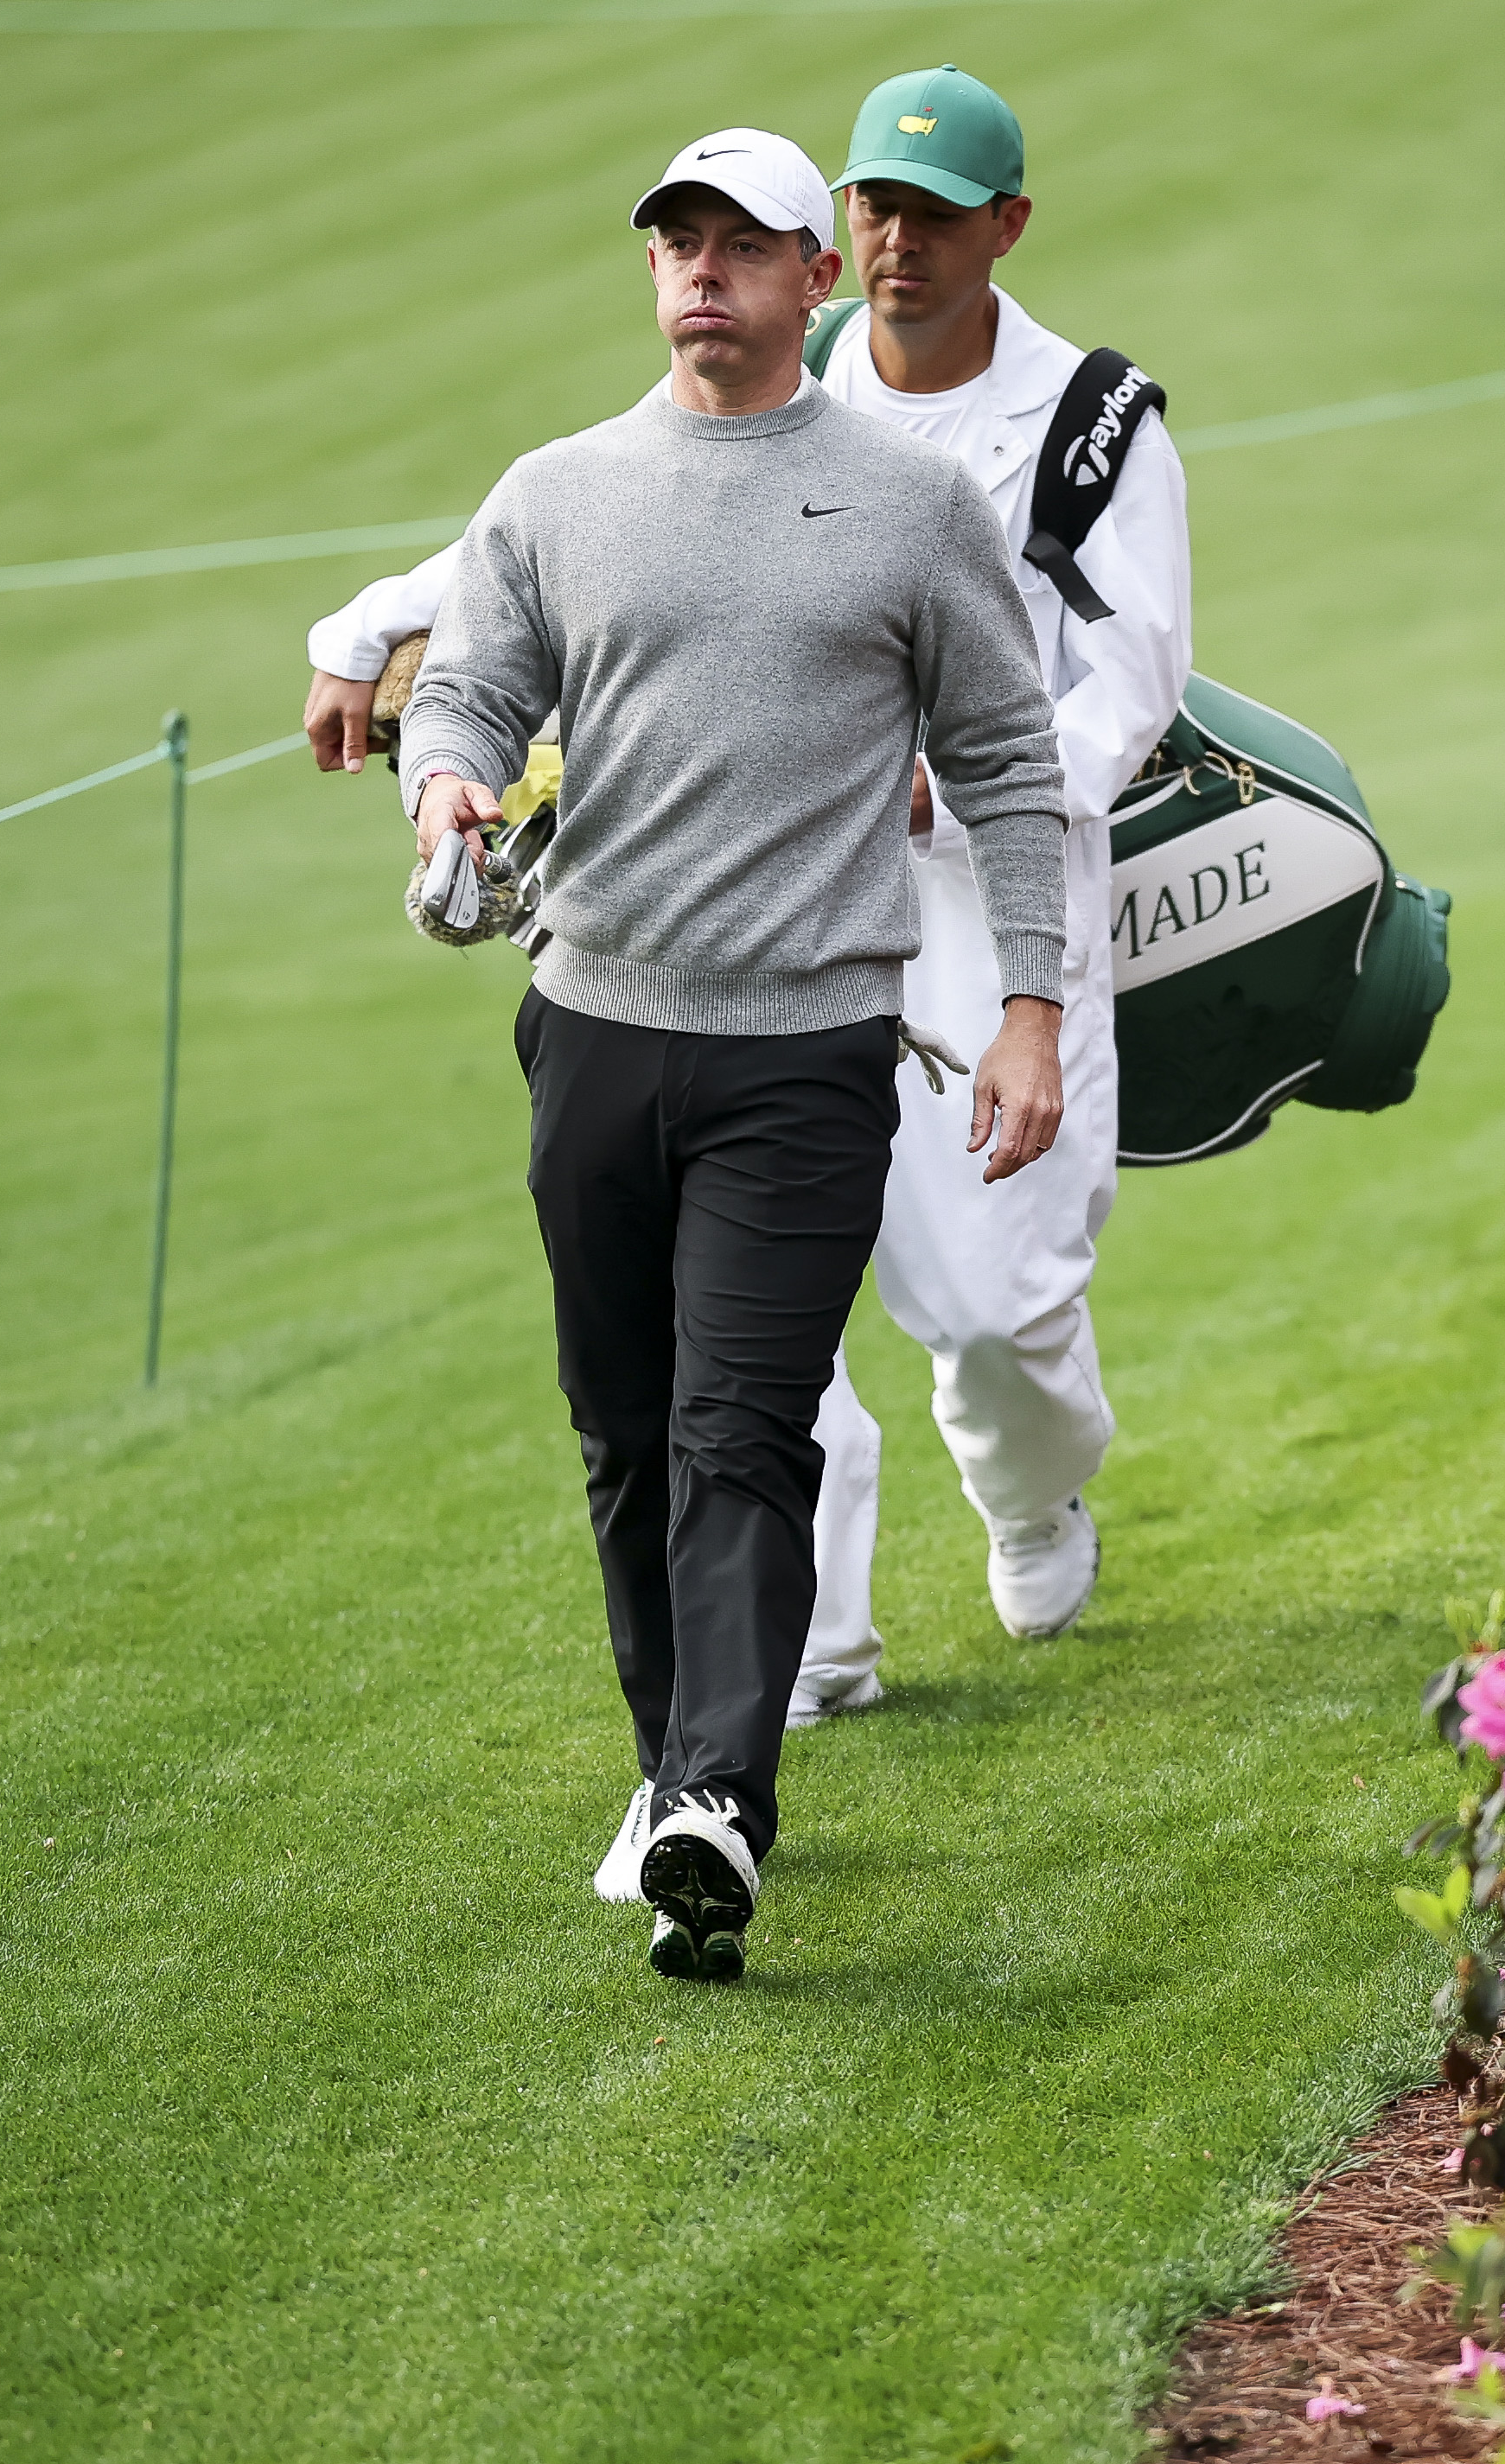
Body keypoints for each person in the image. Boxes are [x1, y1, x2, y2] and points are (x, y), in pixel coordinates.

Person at [308, 64, 1190, 1773]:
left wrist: (956, 789)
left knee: (994, 1313)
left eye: (930, 215)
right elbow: (586, 527)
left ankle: (1029, 1495)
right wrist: (375, 628)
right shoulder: (782, 370)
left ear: (1005, 228)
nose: (893, 242)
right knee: (754, 1313)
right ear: (832, 239)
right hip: (763, 917)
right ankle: (812, 1646)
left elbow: (1123, 684)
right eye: (873, 209)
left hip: (980, 898)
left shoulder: (1089, 427)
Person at [394, 124, 1072, 1982]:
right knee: (623, 1434)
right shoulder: (554, 492)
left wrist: (1030, 1008)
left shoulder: (910, 502)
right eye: (677, 241)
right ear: (652, 273)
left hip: (807, 1053)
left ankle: (721, 1798)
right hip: (593, 1033)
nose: (704, 269)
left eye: (746, 244)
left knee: (737, 1427)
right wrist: (446, 765)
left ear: (815, 279)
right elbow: (469, 677)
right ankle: (667, 1777)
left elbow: (1011, 765)